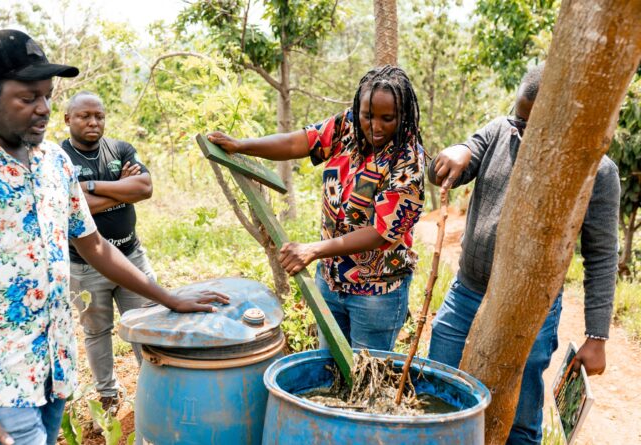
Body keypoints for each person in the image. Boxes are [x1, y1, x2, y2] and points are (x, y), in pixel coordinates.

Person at [0, 29, 228, 445]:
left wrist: (169, 298)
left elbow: (93, 245)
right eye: (27, 98)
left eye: (47, 95)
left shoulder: (53, 161)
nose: (43, 109)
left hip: (55, 371)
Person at [428, 63, 620, 445]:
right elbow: (453, 164)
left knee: (518, 417)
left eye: (532, 127)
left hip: (532, 312)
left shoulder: (597, 172)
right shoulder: (501, 133)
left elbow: (601, 257)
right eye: (518, 120)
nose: (520, 132)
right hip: (467, 294)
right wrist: (456, 153)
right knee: (437, 397)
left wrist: (597, 337)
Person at [208, 65, 425, 351]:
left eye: (388, 118)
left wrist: (313, 250)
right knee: (328, 363)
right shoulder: (348, 125)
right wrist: (241, 145)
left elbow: (380, 233)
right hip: (331, 281)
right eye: (367, 115)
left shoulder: (408, 163)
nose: (375, 126)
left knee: (365, 371)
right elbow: (299, 142)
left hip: (376, 294)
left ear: (403, 116)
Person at [61, 91, 155, 417]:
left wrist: (88, 188)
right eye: (84, 116)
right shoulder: (59, 158)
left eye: (99, 116)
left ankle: (153, 389)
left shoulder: (120, 149)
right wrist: (120, 190)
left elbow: (144, 188)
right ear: (67, 119)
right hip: (85, 266)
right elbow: (70, 207)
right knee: (96, 331)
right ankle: (108, 396)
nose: (93, 122)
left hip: (131, 257)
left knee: (147, 325)